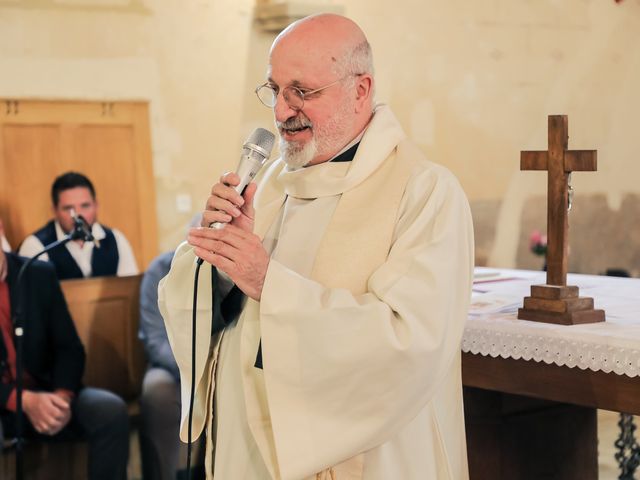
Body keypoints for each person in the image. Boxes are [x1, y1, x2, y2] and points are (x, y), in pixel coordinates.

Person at [159, 13, 474, 480]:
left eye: (302, 92)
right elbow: (200, 307)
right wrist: (222, 263)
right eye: (275, 90)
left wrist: (270, 284)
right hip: (242, 452)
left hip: (364, 460)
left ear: (360, 90)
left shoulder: (425, 192)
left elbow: (409, 341)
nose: (283, 111)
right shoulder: (267, 184)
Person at [0, 248, 129, 479]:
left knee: (110, 411)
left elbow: (69, 347)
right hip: (5, 402)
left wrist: (62, 396)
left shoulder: (37, 273)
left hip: (48, 391)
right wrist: (23, 401)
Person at [138, 250, 204, 480]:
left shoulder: (228, 269)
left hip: (211, 362)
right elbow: (155, 341)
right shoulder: (160, 268)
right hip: (171, 364)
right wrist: (191, 369)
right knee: (156, 391)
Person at [19, 171, 138, 280]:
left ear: (96, 205)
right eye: (68, 208)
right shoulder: (36, 246)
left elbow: (129, 288)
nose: (78, 215)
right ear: (55, 210)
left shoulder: (115, 239)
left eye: (85, 206)